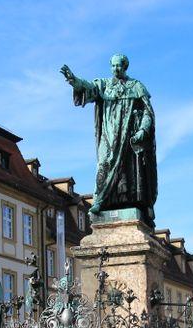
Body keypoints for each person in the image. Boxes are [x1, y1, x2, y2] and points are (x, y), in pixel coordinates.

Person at [60, 54, 157, 225]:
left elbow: (148, 112)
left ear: (125, 67)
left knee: (130, 171)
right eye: (113, 66)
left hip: (129, 136)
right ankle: (101, 201)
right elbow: (87, 87)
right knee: (104, 164)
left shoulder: (136, 86)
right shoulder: (104, 85)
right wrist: (73, 80)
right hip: (109, 134)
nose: (116, 69)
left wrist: (143, 129)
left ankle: (133, 204)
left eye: (119, 66)